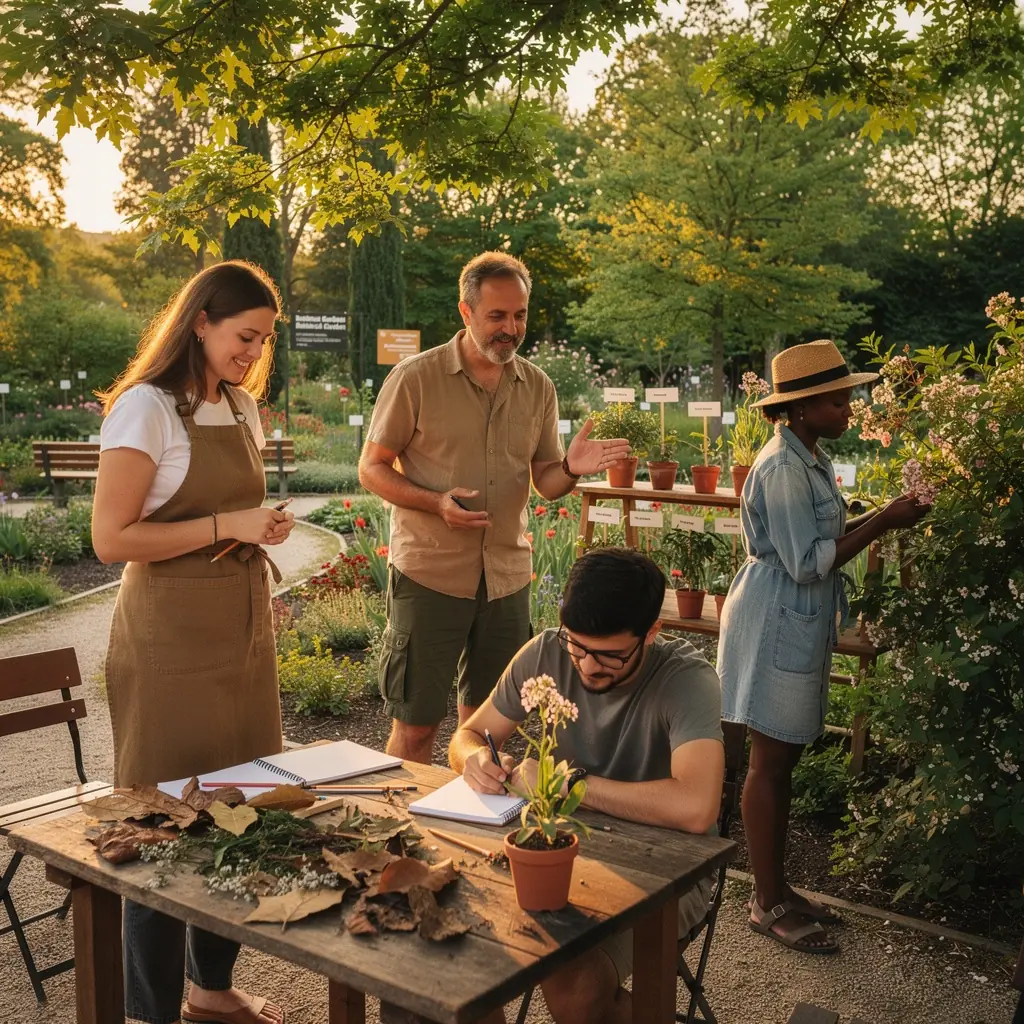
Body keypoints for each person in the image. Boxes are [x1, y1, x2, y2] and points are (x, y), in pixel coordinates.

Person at [92, 260, 295, 1024]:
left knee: (236, 817)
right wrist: (228, 526)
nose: (254, 353)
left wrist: (264, 536)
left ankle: (209, 990)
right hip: (168, 648)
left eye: (265, 341)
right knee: (158, 831)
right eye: (245, 336)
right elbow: (112, 538)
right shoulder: (144, 409)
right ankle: (150, 1012)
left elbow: (234, 519)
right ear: (201, 320)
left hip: (240, 639)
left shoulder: (243, 408)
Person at [359, 251, 630, 765]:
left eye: (520, 315)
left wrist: (571, 468)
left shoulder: (538, 387)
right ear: (466, 312)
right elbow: (371, 468)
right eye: (497, 316)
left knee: (488, 733)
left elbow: (547, 482)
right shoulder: (416, 378)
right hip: (430, 574)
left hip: (507, 578)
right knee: (416, 729)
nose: (511, 328)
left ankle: (469, 838)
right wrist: (436, 503)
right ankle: (401, 839)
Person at [716, 339, 929, 956]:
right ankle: (764, 902)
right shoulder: (783, 466)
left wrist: (865, 513)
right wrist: (883, 522)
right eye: (837, 402)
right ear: (802, 408)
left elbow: (818, 531)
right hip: (776, 616)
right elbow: (808, 563)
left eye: (848, 397)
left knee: (781, 761)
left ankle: (776, 886)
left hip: (792, 616)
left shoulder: (807, 454)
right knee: (769, 763)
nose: (848, 409)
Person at [450, 548, 724, 1024]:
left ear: (652, 634)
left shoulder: (686, 679)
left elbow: (696, 807)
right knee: (455, 953)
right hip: (555, 851)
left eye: (611, 655)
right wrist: (474, 759)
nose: (588, 667)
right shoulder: (546, 652)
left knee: (573, 984)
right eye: (578, 647)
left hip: (666, 872)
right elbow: (468, 735)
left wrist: (564, 784)